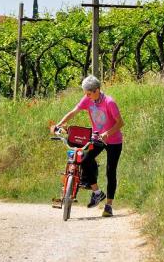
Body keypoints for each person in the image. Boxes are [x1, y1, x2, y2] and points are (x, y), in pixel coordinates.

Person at [52, 75, 124, 217]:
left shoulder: (109, 102)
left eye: (89, 93)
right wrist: (59, 124)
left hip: (114, 140)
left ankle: (108, 206)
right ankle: (97, 192)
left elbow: (120, 123)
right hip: (97, 138)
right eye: (86, 93)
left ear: (97, 90)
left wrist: (108, 133)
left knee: (111, 172)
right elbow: (73, 112)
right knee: (84, 159)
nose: (87, 96)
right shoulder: (87, 99)